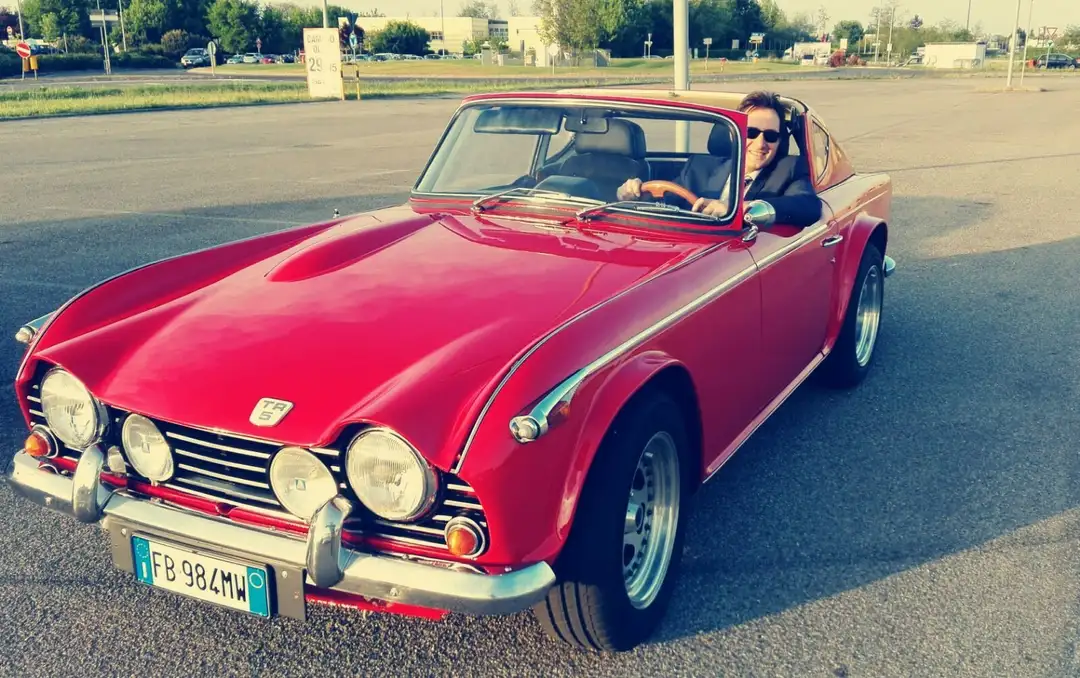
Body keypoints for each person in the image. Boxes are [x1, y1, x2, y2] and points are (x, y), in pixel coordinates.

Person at [616, 90, 822, 228]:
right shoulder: (699, 167)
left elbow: (808, 206)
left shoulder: (788, 169)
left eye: (770, 136)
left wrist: (740, 209)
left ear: (779, 140)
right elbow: (666, 202)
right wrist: (632, 194)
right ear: (734, 135)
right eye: (751, 132)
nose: (761, 144)